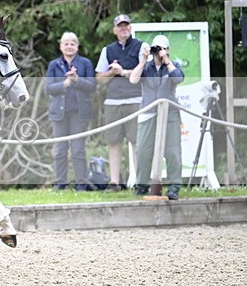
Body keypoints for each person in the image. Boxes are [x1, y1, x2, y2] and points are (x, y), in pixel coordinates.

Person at [94, 14, 149, 191]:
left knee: (136, 142)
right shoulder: (107, 50)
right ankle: (115, 182)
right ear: (115, 30)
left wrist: (123, 72)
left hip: (136, 99)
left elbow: (144, 73)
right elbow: (100, 78)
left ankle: (139, 181)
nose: (124, 28)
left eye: (126, 25)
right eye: (120, 26)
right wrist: (112, 73)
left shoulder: (141, 47)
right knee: (114, 142)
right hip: (113, 102)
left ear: (131, 27)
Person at [129, 34, 184, 200]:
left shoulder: (174, 65)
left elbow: (178, 78)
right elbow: (133, 79)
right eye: (156, 48)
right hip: (148, 112)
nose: (158, 52)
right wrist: (143, 60)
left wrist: (166, 60)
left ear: (167, 50)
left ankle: (174, 186)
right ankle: (141, 184)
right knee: (144, 150)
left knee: (172, 151)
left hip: (170, 113)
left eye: (162, 48)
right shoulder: (147, 67)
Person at [45, 32, 96, 190]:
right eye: (66, 43)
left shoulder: (85, 63)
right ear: (60, 46)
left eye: (72, 43)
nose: (69, 46)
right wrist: (66, 83)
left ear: (77, 46)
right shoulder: (54, 65)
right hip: (59, 113)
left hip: (79, 113)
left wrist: (77, 81)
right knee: (60, 150)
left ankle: (82, 183)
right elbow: (48, 88)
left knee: (78, 150)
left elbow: (92, 86)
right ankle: (60, 183)